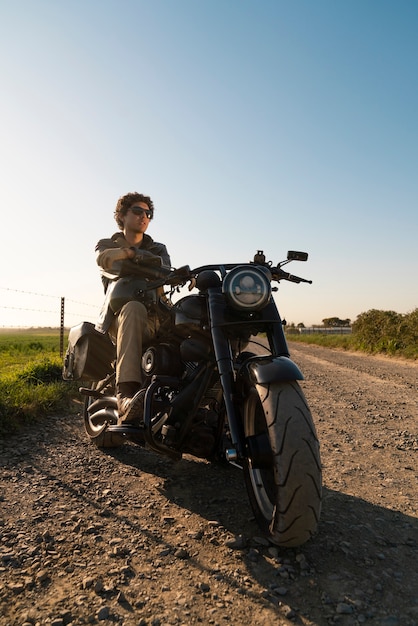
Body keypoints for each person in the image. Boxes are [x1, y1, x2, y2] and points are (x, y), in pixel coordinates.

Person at [95, 192, 171, 425]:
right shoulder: (108, 243)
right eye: (138, 211)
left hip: (155, 317)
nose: (144, 217)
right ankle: (125, 396)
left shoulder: (158, 248)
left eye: (148, 213)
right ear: (121, 215)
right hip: (121, 319)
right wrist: (131, 253)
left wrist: (133, 257)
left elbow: (165, 269)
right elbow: (106, 259)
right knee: (134, 308)